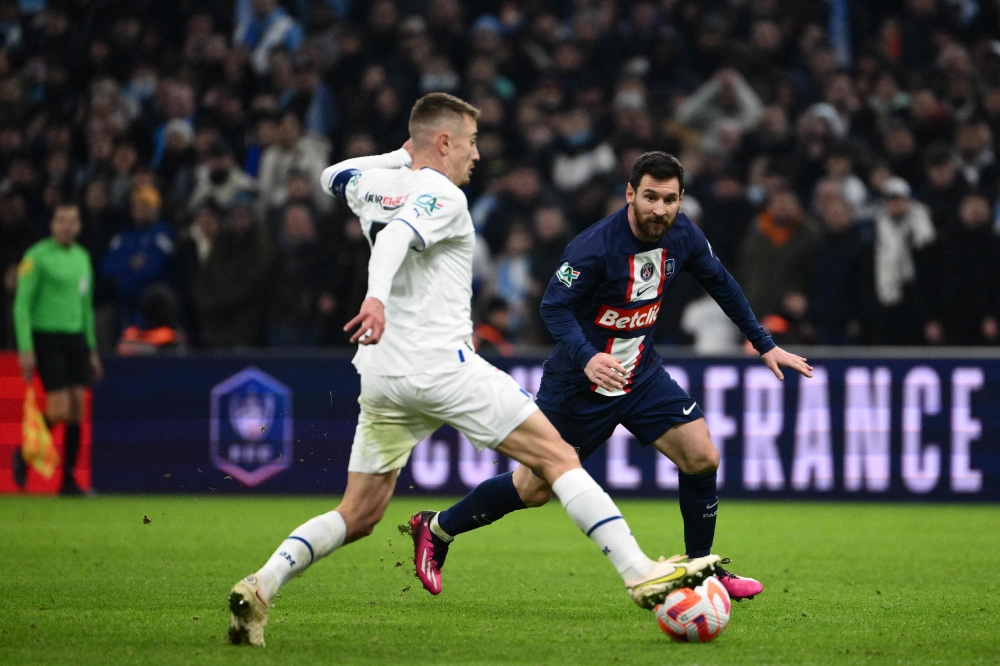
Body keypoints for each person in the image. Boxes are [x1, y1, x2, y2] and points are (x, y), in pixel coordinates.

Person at [225, 94, 721, 648]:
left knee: (359, 512)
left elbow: (330, 176)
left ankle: (262, 583)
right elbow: (395, 239)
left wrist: (403, 154)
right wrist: (375, 298)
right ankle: (640, 573)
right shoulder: (442, 194)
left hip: (383, 374)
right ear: (444, 143)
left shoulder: (373, 186)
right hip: (439, 365)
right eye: (470, 142)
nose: (477, 155)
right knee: (558, 457)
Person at [417, 152, 813, 601]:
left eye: (669, 199)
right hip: (578, 386)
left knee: (702, 456)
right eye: (650, 197)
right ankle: (436, 528)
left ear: (681, 199)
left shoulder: (683, 234)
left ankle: (702, 570)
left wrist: (765, 343)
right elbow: (553, 307)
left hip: (639, 373)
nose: (659, 209)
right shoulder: (595, 246)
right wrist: (587, 358)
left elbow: (720, 282)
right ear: (630, 194)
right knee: (532, 490)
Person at [11, 204, 103, 495]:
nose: (67, 226)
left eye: (72, 221)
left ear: (78, 226)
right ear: (52, 224)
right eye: (61, 220)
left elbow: (85, 307)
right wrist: (26, 348)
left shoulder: (82, 257)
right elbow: (21, 305)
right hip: (47, 337)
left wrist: (91, 348)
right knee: (59, 408)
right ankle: (25, 453)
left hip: (75, 338)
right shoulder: (37, 256)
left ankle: (68, 482)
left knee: (77, 407)